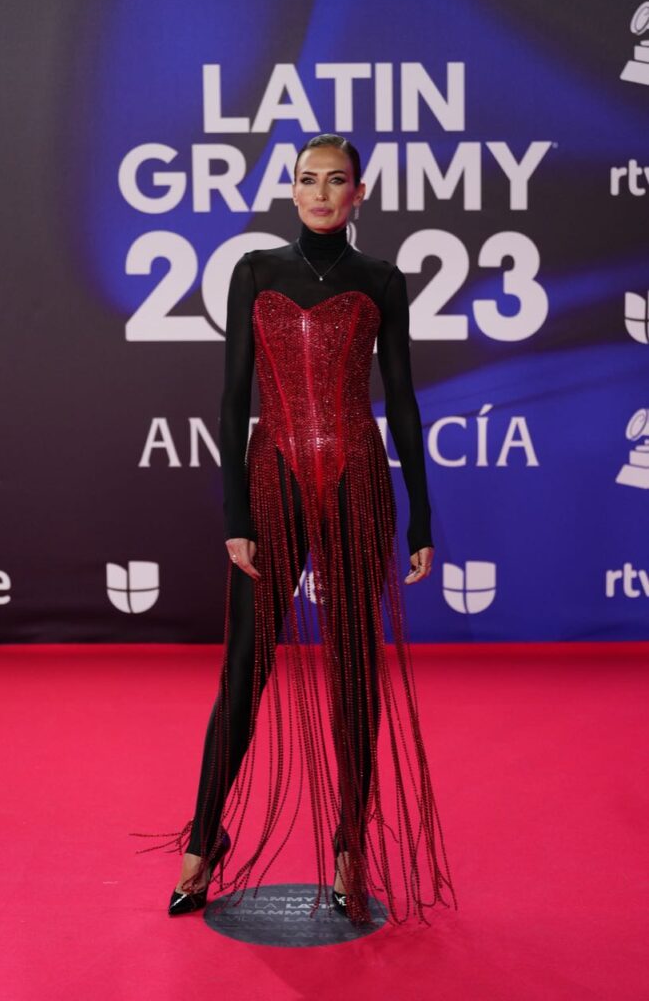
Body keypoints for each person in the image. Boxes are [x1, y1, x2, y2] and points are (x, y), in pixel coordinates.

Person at [131, 133, 457, 927]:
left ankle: (349, 843)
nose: (319, 193)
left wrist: (421, 512)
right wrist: (234, 514)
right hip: (272, 477)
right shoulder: (254, 271)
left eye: (335, 180)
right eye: (308, 179)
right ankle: (203, 840)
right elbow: (230, 398)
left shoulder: (382, 280)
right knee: (244, 671)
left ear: (358, 193)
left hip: (357, 483)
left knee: (354, 671)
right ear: (292, 189)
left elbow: (403, 400)